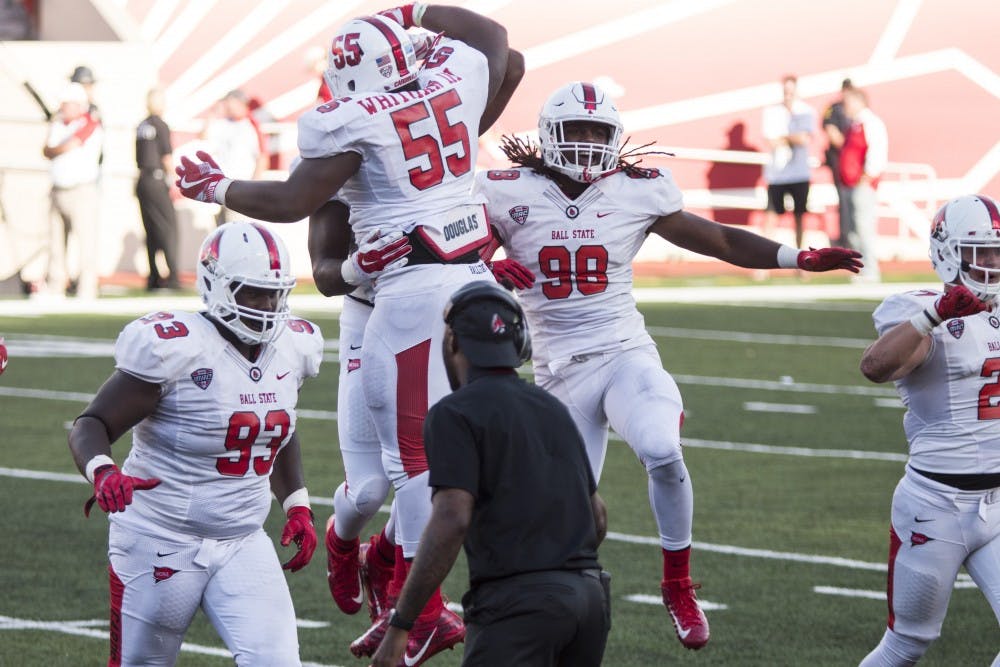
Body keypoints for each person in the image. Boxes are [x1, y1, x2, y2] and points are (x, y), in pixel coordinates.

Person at [176, 4, 523, 661]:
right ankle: (387, 574)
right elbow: (504, 49)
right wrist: (418, 11)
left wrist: (214, 184)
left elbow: (289, 199)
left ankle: (417, 608)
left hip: (414, 295)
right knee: (418, 464)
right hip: (467, 279)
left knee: (415, 461)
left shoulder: (352, 123)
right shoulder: (443, 84)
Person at [474, 80, 863, 651]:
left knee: (660, 446)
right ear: (549, 134)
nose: (585, 142)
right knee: (566, 520)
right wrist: (483, 270)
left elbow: (718, 240)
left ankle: (678, 584)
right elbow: (456, 256)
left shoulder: (638, 189)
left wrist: (796, 257)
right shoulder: (505, 190)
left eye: (596, 132)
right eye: (576, 130)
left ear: (614, 138)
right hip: (556, 376)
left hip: (624, 352)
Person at [67, 221, 323, 665]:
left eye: (274, 293)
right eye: (251, 292)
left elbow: (276, 426)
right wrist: (103, 471)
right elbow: (90, 424)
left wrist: (297, 504)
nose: (266, 305)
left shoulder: (292, 347)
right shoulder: (176, 348)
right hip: (159, 537)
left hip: (243, 538)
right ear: (217, 287)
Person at [371, 281, 610, 667]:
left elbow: (452, 518)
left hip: (517, 608)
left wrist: (402, 624)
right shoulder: (550, 406)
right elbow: (597, 516)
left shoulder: (454, 413)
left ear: (452, 343)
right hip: (589, 600)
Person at [858, 194, 1000, 666]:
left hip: (998, 504)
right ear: (947, 253)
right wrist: (936, 314)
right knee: (906, 645)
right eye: (981, 253)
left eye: (999, 252)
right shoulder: (915, 308)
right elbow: (876, 366)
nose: (992, 264)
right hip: (936, 506)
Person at [42, 81, 103, 298]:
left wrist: (55, 149)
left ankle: (86, 288)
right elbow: (46, 150)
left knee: (85, 241)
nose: (62, 107)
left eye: (66, 103)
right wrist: (55, 149)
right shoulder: (58, 123)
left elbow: (67, 146)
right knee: (56, 243)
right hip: (58, 189)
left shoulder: (90, 122)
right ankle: (55, 284)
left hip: (81, 190)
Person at [840, 86, 888, 283]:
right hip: (851, 184)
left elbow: (877, 152)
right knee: (854, 229)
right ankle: (860, 268)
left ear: (860, 101)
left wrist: (866, 177)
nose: (845, 106)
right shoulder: (855, 124)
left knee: (864, 226)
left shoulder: (870, 123)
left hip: (862, 185)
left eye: (848, 101)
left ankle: (870, 268)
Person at [761, 75, 816, 247]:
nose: (788, 95)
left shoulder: (806, 111)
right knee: (771, 215)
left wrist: (783, 138)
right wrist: (792, 138)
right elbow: (771, 141)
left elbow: (804, 139)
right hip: (777, 174)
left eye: (791, 91)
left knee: (800, 217)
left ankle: (801, 261)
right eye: (786, 91)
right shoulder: (771, 111)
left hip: (799, 174)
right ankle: (762, 264)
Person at [135, 87, 180, 290]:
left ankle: (153, 277)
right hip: (157, 179)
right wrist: (175, 181)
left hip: (142, 180)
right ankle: (172, 277)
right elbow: (166, 157)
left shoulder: (141, 125)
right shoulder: (161, 125)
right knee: (168, 229)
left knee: (150, 229)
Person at [201, 89, 263, 225]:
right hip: (220, 188)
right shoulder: (222, 124)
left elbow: (261, 157)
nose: (228, 106)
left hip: (240, 188)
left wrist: (253, 186)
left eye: (230, 102)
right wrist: (213, 113)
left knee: (236, 230)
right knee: (220, 230)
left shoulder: (250, 125)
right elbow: (204, 136)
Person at [823, 78, 854, 248]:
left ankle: (852, 239)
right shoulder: (834, 109)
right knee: (843, 201)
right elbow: (831, 131)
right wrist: (851, 148)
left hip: (855, 165)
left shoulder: (858, 111)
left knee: (855, 203)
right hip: (840, 162)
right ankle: (844, 239)